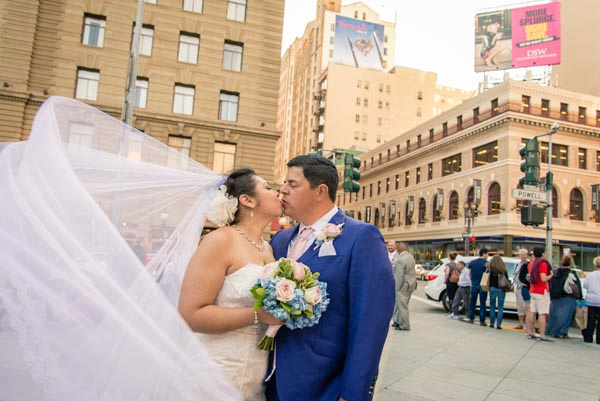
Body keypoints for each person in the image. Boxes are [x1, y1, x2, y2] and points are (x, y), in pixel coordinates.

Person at [269, 154, 394, 401]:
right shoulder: (279, 240)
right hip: (270, 380)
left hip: (324, 383)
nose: (282, 191)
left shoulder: (361, 237)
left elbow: (370, 324)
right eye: (284, 184)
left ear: (320, 191)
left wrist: (353, 393)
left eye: (292, 185)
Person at [178, 169, 285, 401]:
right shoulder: (219, 240)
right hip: (216, 371)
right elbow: (190, 314)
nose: (277, 192)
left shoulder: (268, 249)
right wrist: (259, 315)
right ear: (247, 200)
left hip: (255, 375)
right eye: (267, 187)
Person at [547, 255, 583, 339]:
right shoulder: (571, 274)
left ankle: (551, 330)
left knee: (553, 314)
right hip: (568, 297)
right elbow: (577, 286)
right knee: (565, 316)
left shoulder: (555, 273)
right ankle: (562, 332)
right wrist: (580, 297)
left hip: (555, 296)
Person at [526, 247, 554, 342]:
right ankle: (542, 334)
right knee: (542, 313)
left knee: (532, 311)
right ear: (542, 253)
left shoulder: (531, 263)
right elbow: (543, 278)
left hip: (533, 289)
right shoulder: (542, 263)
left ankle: (530, 331)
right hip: (541, 290)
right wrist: (550, 275)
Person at [392, 241, 417, 330]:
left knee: (402, 306)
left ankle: (405, 325)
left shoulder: (401, 260)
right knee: (404, 304)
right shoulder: (410, 257)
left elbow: (399, 275)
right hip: (411, 284)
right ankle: (399, 321)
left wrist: (397, 287)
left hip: (403, 285)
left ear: (398, 250)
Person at [468, 248, 489, 325]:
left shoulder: (472, 262)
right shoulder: (487, 263)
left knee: (472, 302)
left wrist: (472, 280)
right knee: (482, 303)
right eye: (487, 254)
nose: (487, 256)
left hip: (474, 283)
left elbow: (469, 274)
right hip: (483, 284)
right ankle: (482, 320)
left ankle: (471, 318)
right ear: (484, 254)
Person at [488, 255, 509, 330]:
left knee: (492, 306)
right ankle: (499, 325)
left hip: (492, 288)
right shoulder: (503, 270)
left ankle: (491, 323)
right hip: (501, 288)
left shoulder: (490, 269)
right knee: (500, 307)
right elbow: (507, 279)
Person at [582, 256, 600, 344]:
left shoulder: (591, 275)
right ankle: (599, 339)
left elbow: (585, 286)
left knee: (590, 320)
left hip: (591, 301)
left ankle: (588, 338)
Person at [513, 248, 530, 330]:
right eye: (521, 255)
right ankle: (520, 324)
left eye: (524, 255)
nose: (523, 256)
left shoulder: (529, 264)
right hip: (518, 287)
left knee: (527, 306)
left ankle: (528, 325)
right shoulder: (517, 265)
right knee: (519, 306)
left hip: (526, 287)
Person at [444, 252, 459, 317]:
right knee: (456, 297)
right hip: (456, 282)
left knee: (450, 297)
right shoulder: (457, 265)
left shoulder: (448, 265)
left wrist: (445, 280)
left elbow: (447, 273)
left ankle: (451, 311)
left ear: (449, 257)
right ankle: (455, 311)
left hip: (450, 282)